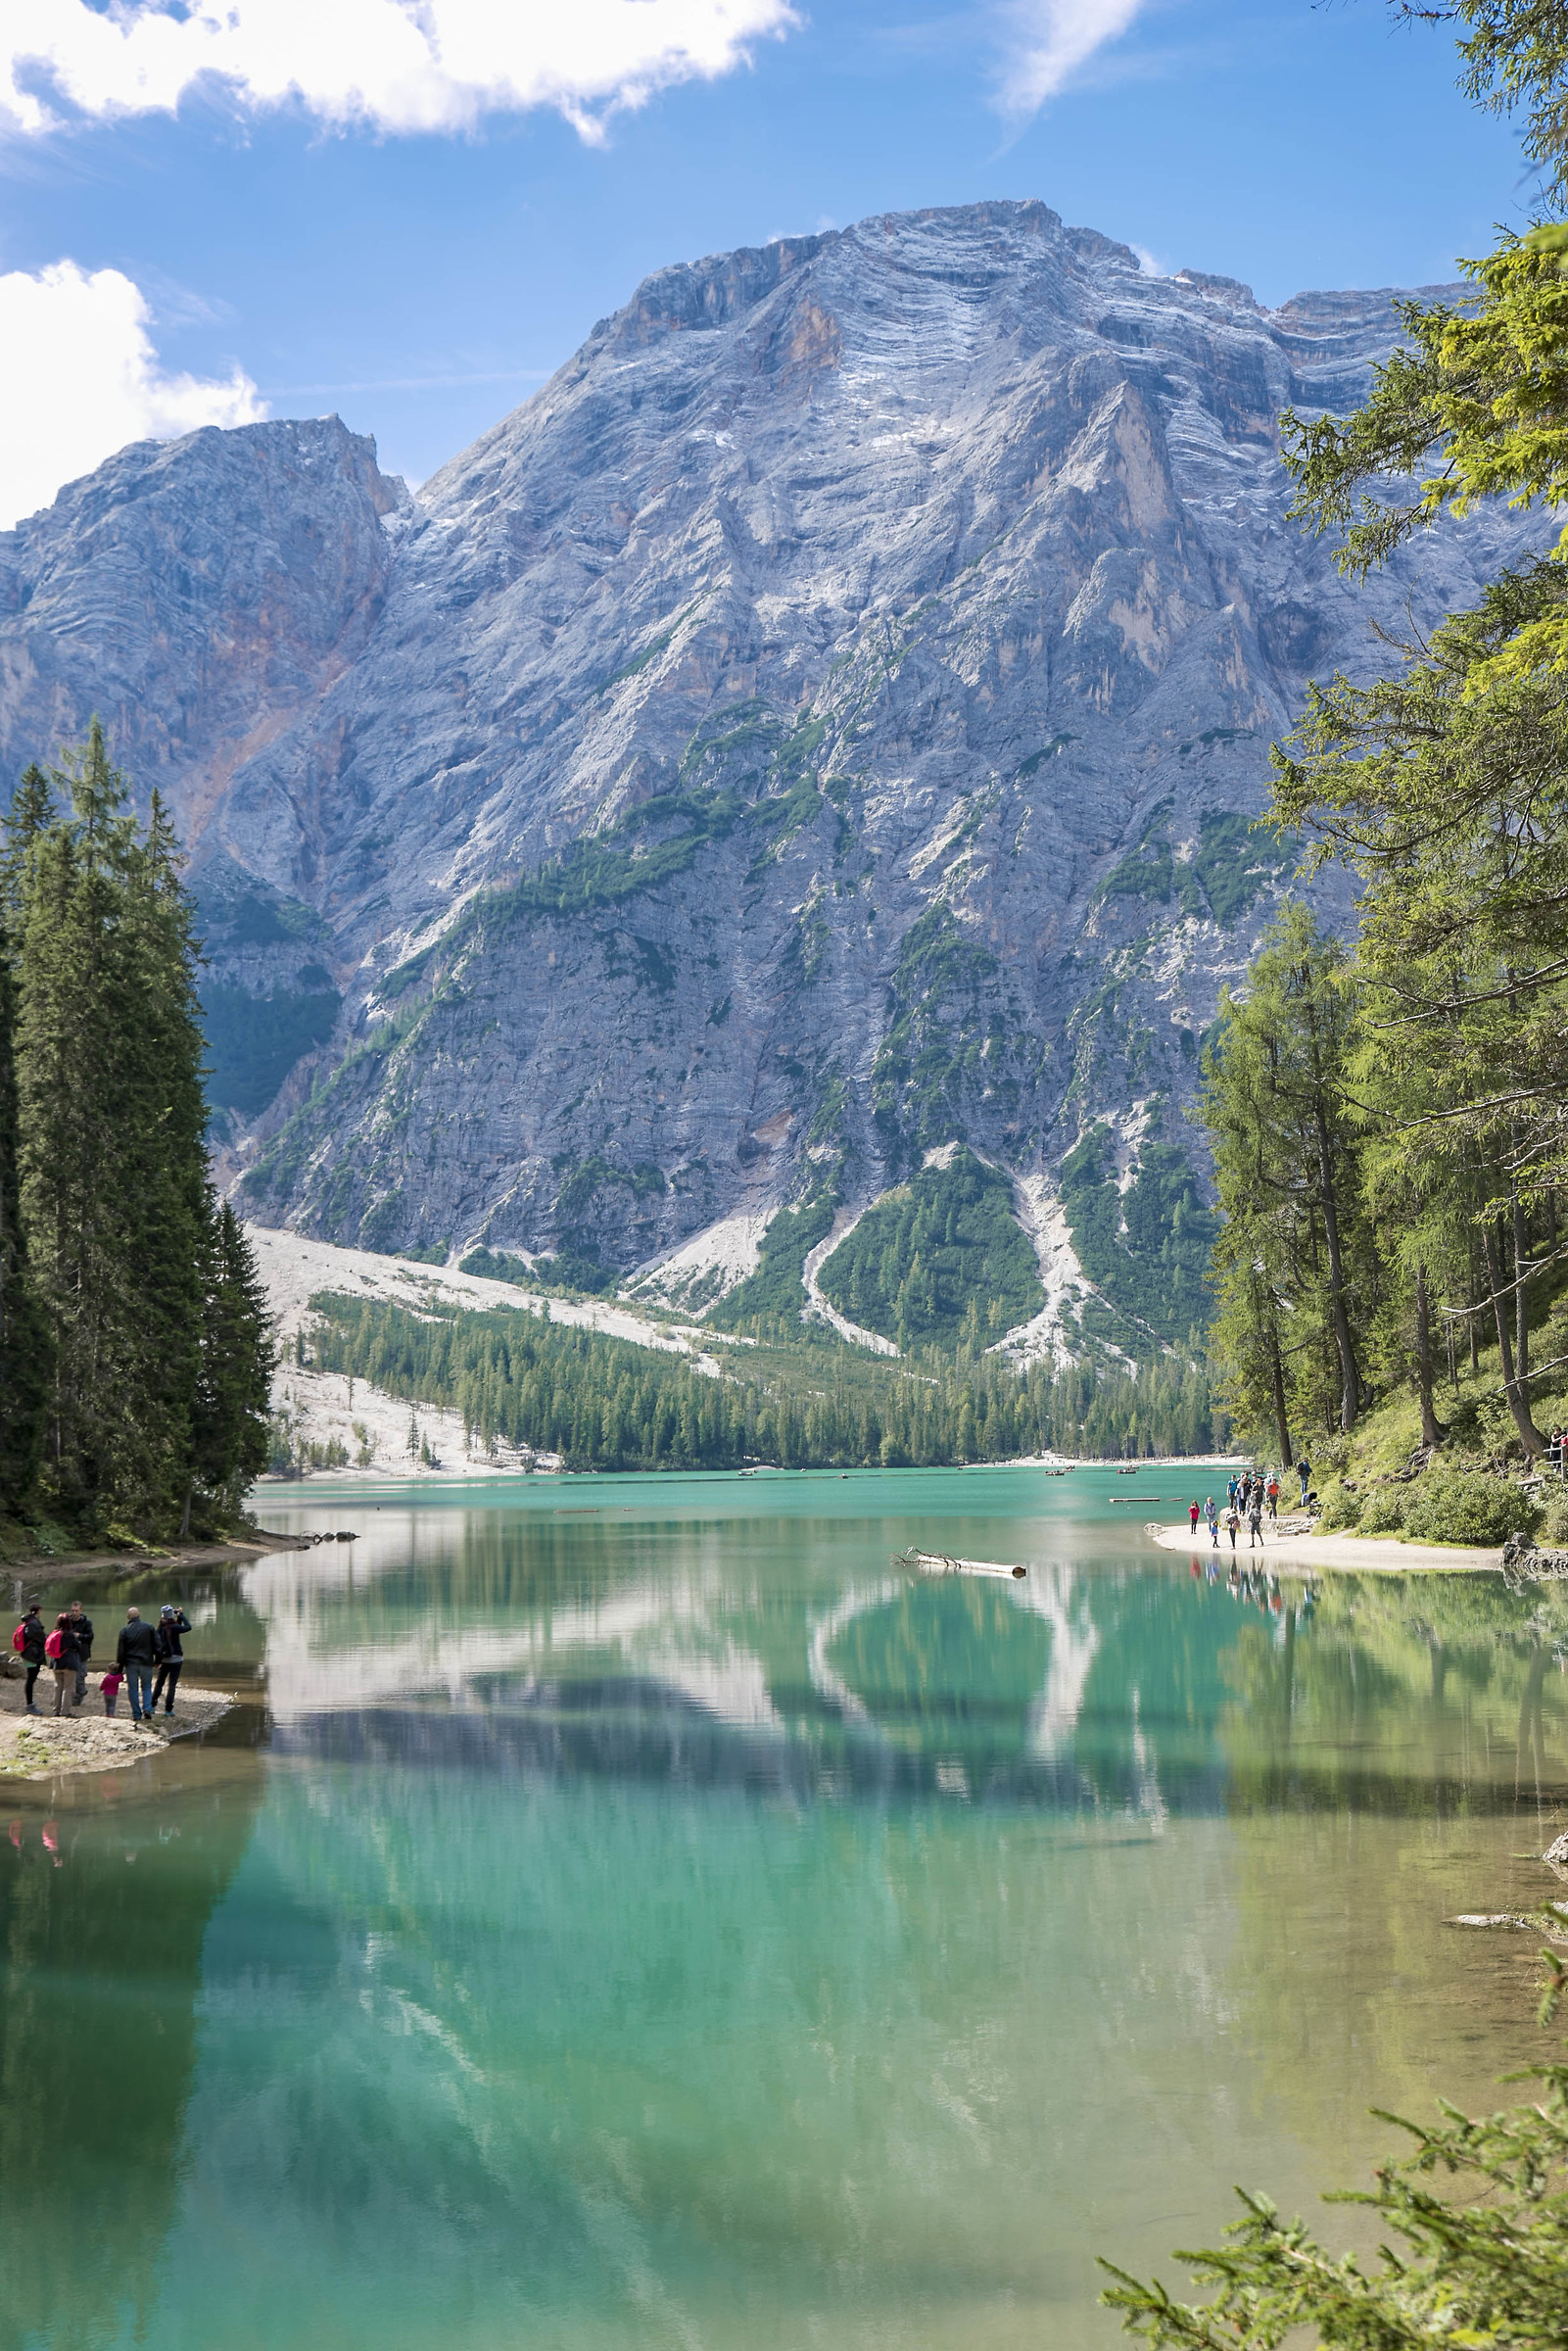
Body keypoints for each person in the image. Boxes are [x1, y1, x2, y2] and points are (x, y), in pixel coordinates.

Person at [115, 1607, 160, 1727]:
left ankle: (136, 1714)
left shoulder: (124, 1631)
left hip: (131, 1664)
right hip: (146, 1662)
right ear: (139, 1615)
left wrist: (119, 1669)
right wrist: (158, 1660)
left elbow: (121, 1652)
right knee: (146, 1687)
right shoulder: (149, 1627)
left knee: (133, 1689)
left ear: (128, 1617)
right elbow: (158, 1645)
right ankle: (147, 1709)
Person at [151, 1606, 191, 1717]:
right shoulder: (174, 1627)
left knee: (160, 1682)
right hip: (176, 1659)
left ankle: (152, 1706)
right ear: (171, 1615)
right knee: (172, 1685)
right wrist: (181, 1615)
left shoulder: (160, 1628)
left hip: (164, 1659)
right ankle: (168, 1710)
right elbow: (188, 1627)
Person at [45, 1613, 81, 1717]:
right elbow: (78, 1646)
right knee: (68, 1688)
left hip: (56, 1663)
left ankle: (56, 1710)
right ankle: (65, 1711)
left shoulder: (54, 1633)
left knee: (58, 1687)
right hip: (69, 1664)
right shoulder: (69, 1635)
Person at [12, 1606, 46, 1714]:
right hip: (32, 1655)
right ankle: (30, 1705)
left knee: (30, 1679)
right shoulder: (34, 1624)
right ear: (38, 1611)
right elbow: (42, 1638)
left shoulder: (28, 1622)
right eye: (40, 1611)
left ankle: (30, 1702)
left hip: (28, 1654)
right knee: (31, 1680)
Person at [67, 1600, 93, 1707]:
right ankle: (78, 1692)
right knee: (70, 1676)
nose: (74, 1613)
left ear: (81, 1611)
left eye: (76, 1611)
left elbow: (90, 1637)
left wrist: (80, 1636)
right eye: (72, 1611)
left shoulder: (86, 1622)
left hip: (82, 1653)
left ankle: (79, 1696)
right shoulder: (67, 1621)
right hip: (69, 1652)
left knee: (80, 1677)